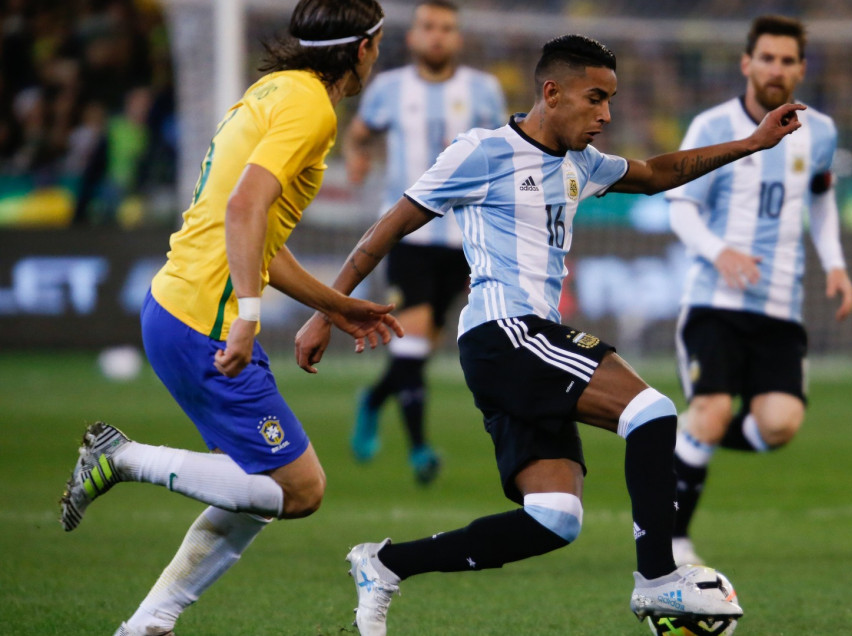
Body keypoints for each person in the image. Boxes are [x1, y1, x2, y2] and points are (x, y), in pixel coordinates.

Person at [295, 34, 804, 634]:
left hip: (526, 345)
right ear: (552, 92)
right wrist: (325, 311)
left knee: (554, 518)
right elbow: (387, 228)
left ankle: (384, 564)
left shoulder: (580, 164)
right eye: (595, 99)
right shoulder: (481, 152)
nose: (606, 115)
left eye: (611, 101)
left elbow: (656, 173)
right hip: (504, 333)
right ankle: (658, 580)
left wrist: (751, 143)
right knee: (653, 412)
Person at [58, 2, 399, 634]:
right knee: (300, 489)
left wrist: (333, 304)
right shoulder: (314, 109)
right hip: (203, 321)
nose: (378, 55)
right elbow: (245, 208)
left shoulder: (275, 88)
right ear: (362, 49)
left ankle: (148, 625)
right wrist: (246, 316)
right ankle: (123, 457)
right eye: (377, 44)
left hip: (174, 305)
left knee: (253, 485)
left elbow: (259, 229)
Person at [664, 15, 852, 568]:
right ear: (747, 63)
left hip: (779, 305)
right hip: (714, 302)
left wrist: (837, 265)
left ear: (800, 67)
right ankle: (675, 541)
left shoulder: (820, 130)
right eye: (767, 57)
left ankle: (682, 438)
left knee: (780, 425)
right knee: (714, 407)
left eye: (788, 59)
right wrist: (717, 251)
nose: (777, 68)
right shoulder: (711, 126)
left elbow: (821, 197)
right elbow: (680, 206)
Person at [343, 0, 507, 483]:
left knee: (420, 349)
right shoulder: (389, 89)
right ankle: (420, 451)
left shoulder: (483, 90)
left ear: (457, 38)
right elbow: (359, 133)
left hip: (465, 240)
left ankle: (372, 399)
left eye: (447, 28)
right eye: (428, 27)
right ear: (413, 36)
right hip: (406, 235)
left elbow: (502, 151)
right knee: (412, 346)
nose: (437, 35)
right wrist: (356, 156)